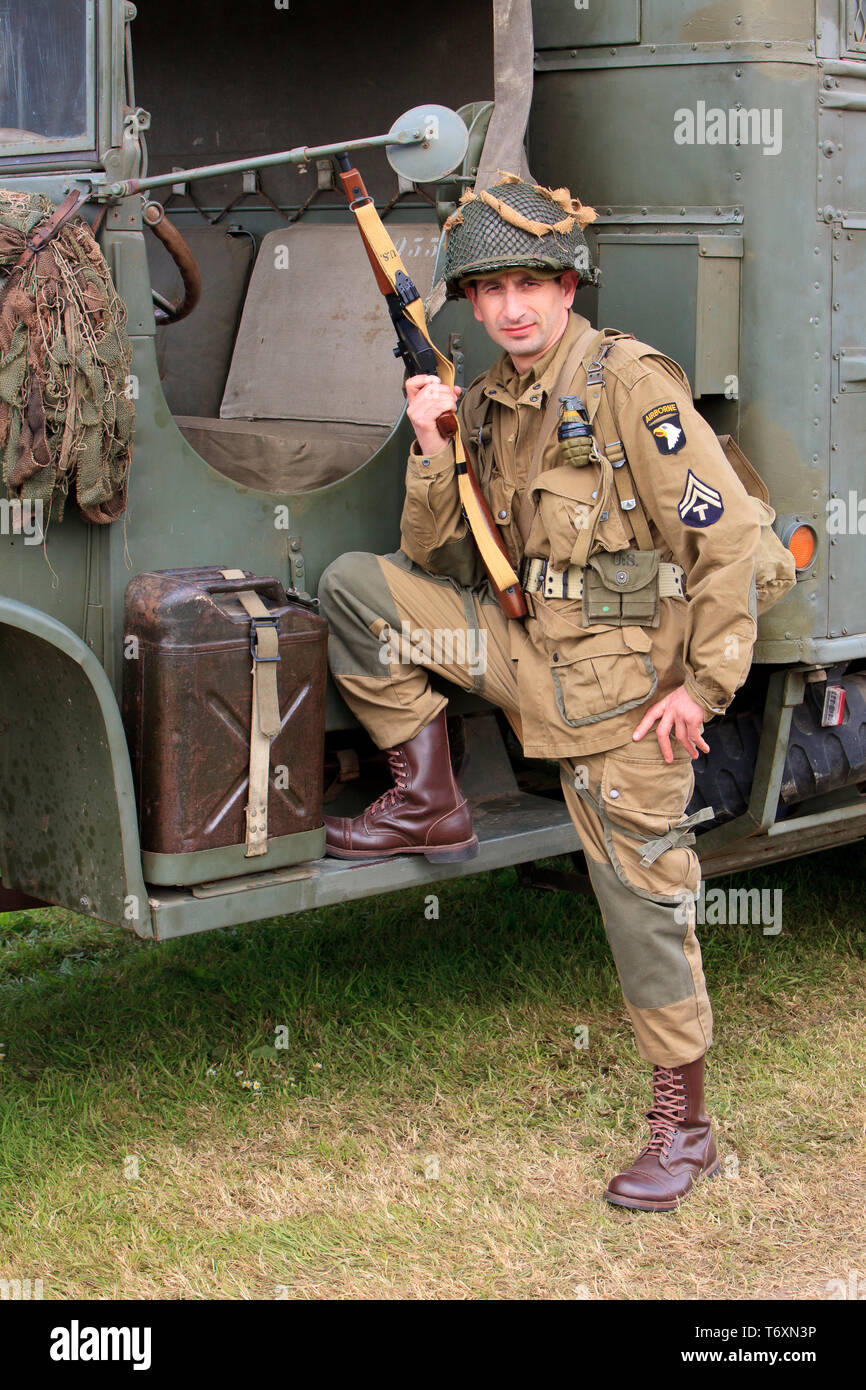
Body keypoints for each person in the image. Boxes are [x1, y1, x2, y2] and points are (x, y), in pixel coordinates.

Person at [318, 174, 762, 1212]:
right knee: (355, 588)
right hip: (521, 652)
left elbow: (726, 535)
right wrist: (433, 446)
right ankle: (424, 796)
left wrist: (699, 686)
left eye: (532, 282)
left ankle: (683, 1126)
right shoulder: (482, 403)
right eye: (491, 289)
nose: (512, 306)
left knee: (642, 900)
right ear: (469, 304)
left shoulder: (627, 386)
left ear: (567, 285)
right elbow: (433, 555)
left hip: (622, 689)